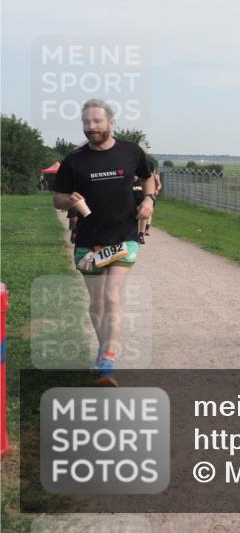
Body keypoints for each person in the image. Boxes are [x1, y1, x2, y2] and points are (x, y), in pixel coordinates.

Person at [52, 99, 155, 387]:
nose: (91, 127)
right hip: (89, 240)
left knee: (112, 295)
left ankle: (108, 359)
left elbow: (149, 179)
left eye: (97, 122)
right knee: (97, 303)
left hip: (124, 236)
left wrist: (148, 200)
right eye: (86, 122)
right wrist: (68, 200)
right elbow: (57, 198)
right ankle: (102, 348)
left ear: (111, 123)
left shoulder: (130, 152)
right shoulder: (75, 160)